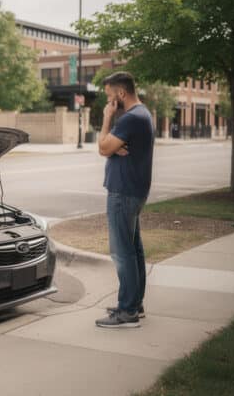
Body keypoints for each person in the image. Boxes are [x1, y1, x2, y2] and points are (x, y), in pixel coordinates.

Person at [95, 72, 154, 329]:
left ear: (121, 94)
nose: (109, 103)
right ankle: (135, 304)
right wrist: (112, 147)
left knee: (122, 252)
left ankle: (127, 311)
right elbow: (109, 148)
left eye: (110, 97)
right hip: (134, 191)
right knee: (134, 249)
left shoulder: (130, 118)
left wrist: (107, 119)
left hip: (123, 192)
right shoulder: (143, 114)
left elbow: (102, 148)